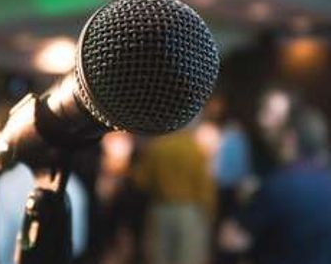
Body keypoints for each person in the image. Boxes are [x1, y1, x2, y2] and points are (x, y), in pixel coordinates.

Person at [220, 106, 331, 264]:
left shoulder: (279, 184)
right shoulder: (327, 181)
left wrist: (243, 202)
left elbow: (231, 240)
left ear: (290, 139)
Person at [134, 128, 215, 264]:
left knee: (160, 257)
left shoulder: (157, 147)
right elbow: (204, 186)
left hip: (160, 209)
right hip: (189, 212)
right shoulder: (195, 150)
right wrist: (209, 213)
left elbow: (143, 181)